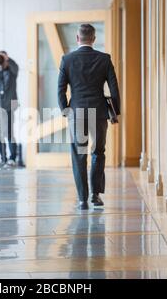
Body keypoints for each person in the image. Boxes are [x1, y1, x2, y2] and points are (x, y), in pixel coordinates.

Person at [58, 24, 121, 210]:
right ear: (94, 39)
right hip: (99, 112)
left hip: (76, 112)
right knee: (98, 152)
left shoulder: (67, 60)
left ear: (77, 38)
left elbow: (60, 89)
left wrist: (65, 110)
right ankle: (95, 195)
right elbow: (114, 88)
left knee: (79, 154)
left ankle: (82, 199)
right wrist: (115, 112)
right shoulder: (104, 59)